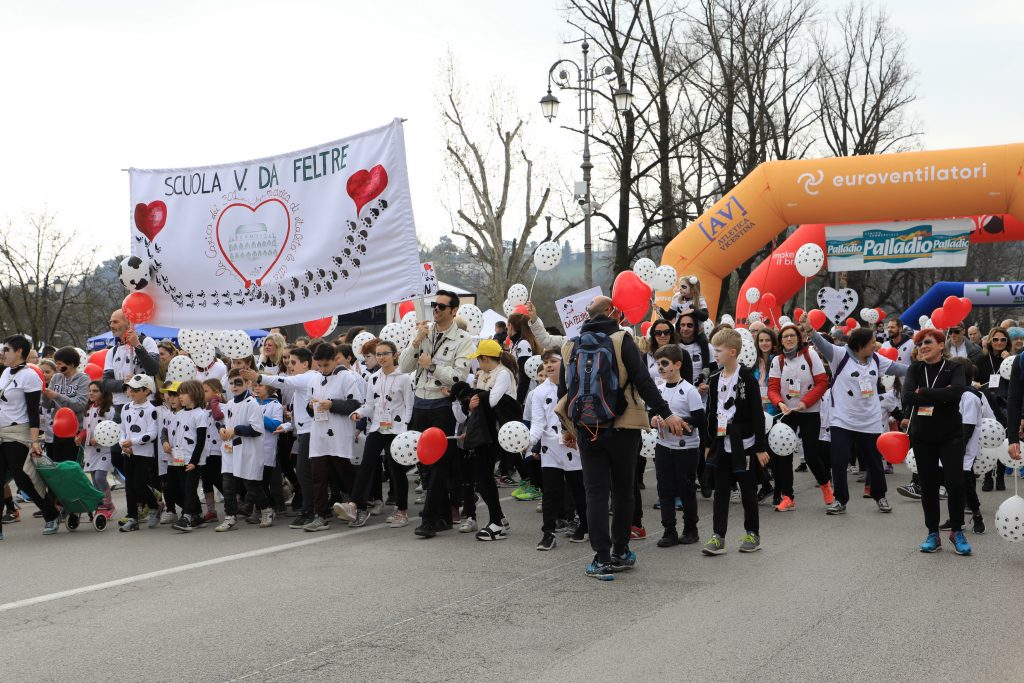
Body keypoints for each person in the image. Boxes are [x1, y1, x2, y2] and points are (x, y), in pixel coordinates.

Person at [555, 296, 683, 580]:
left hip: (587, 427)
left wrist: (567, 428)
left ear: (587, 316)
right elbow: (643, 381)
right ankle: (620, 551)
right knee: (624, 491)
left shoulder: (570, 345)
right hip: (624, 425)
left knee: (596, 493)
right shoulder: (621, 339)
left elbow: (563, 391)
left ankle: (600, 558)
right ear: (612, 313)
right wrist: (666, 412)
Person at [398, 291, 474, 539]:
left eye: (442, 306)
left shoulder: (463, 339)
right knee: (424, 464)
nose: (436, 310)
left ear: (454, 311)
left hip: (442, 405)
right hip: (421, 401)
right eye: (434, 305)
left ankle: (429, 519)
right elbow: (404, 367)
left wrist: (431, 365)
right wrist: (416, 341)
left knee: (438, 464)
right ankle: (442, 515)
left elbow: (458, 376)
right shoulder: (425, 333)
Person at [810, 326, 907, 515]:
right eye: (872, 342)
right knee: (839, 460)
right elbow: (822, 345)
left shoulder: (877, 359)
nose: (875, 345)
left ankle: (880, 497)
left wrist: (922, 367)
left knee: (874, 461)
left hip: (869, 421)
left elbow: (900, 368)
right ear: (861, 344)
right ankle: (840, 500)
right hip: (842, 420)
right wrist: (810, 331)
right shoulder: (840, 355)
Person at [902, 328, 970, 555]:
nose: (922, 346)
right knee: (929, 486)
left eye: (927, 342)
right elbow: (909, 397)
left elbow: (957, 392)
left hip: (950, 434)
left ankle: (957, 531)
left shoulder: (955, 367)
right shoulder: (915, 368)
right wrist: (941, 394)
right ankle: (933, 533)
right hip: (922, 436)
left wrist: (925, 392)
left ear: (942, 345)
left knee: (955, 483)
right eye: (919, 344)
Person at [701, 328, 769, 556]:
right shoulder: (714, 379)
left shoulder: (746, 378)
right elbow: (711, 411)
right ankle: (718, 536)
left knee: (748, 491)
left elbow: (757, 415)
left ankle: (753, 533)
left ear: (732, 352)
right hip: (721, 442)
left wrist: (760, 447)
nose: (715, 355)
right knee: (721, 491)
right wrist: (709, 443)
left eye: (718, 351)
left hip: (745, 444)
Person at [243, 347, 317, 527]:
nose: (289, 365)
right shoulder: (302, 382)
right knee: (307, 474)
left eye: (293, 362)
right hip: (302, 432)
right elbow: (299, 414)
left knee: (306, 474)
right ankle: (315, 509)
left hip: (311, 433)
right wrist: (286, 426)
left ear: (305, 364)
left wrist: (259, 377)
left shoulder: (307, 376)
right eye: (288, 362)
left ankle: (311, 511)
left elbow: (281, 380)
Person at [344, 340, 414, 528]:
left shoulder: (404, 378)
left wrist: (405, 430)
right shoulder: (373, 378)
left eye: (385, 353)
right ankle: (355, 505)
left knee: (395, 469)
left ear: (395, 355)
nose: (381, 357)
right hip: (377, 427)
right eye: (379, 354)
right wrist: (358, 413)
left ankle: (402, 510)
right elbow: (369, 405)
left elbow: (409, 407)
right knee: (366, 465)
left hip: (396, 430)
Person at [456, 339, 520, 541]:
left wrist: (476, 397)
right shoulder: (482, 374)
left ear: (485, 359)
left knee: (484, 478)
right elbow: (477, 403)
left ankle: (497, 522)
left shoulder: (503, 373)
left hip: (496, 433)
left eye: (479, 360)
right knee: (481, 478)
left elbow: (492, 401)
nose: (478, 364)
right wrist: (472, 401)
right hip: (483, 432)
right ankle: (498, 517)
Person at [767, 323, 833, 511]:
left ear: (799, 337)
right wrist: (779, 403)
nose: (789, 339)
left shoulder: (810, 354)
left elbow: (822, 382)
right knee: (784, 455)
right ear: (780, 340)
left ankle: (826, 486)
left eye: (792, 335)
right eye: (785, 336)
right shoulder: (777, 361)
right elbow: (772, 387)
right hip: (787, 412)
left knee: (812, 455)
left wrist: (805, 402)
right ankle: (788, 497)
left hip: (809, 411)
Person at [0, 335, 60, 539]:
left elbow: (33, 412)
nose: (3, 353)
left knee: (23, 480)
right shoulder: (6, 372)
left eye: (6, 349)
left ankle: (51, 514)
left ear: (18, 352)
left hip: (18, 434)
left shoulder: (30, 376)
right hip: (1, 432)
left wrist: (35, 441)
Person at [530, 349, 587, 549]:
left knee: (578, 489)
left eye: (553, 360)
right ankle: (548, 532)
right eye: (545, 362)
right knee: (551, 491)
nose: (549, 365)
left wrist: (576, 436)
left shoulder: (576, 386)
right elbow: (538, 423)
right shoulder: (538, 392)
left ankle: (585, 526)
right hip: (550, 448)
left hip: (574, 445)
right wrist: (528, 441)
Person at [650, 345, 705, 547]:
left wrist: (678, 422)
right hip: (663, 445)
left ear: (678, 364)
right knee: (664, 489)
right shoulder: (659, 389)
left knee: (686, 489)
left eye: (665, 363)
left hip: (686, 448)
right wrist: (654, 420)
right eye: (658, 364)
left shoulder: (689, 391)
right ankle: (669, 530)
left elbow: (700, 419)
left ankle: (691, 528)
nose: (661, 368)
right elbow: (651, 414)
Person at [303, 343, 362, 532]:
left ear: (335, 360)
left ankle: (358, 507)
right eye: (319, 365)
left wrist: (332, 404)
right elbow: (309, 408)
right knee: (318, 477)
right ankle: (320, 515)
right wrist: (311, 407)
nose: (322, 369)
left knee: (345, 473)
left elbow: (355, 404)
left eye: (325, 365)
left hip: (339, 433)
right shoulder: (314, 379)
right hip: (319, 435)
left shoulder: (346, 377)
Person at [219, 368, 274, 530]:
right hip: (230, 450)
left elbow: (256, 429)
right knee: (228, 485)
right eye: (231, 383)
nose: (234, 386)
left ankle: (266, 509)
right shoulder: (229, 404)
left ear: (248, 383)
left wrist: (236, 430)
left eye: (238, 383)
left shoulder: (252, 404)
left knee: (251, 485)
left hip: (247, 451)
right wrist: (223, 430)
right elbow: (226, 424)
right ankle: (230, 516)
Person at [948, 357, 987, 534]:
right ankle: (955, 519)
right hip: (948, 445)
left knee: (965, 484)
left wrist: (959, 447)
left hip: (962, 448)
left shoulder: (970, 396)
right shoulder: (953, 393)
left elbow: (968, 425)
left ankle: (977, 515)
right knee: (952, 485)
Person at [117, 373, 161, 532]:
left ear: (146, 391)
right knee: (129, 486)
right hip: (127, 452)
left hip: (144, 453)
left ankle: (155, 506)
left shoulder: (151, 410)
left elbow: (152, 434)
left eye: (136, 389)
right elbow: (122, 429)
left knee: (139, 485)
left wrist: (133, 442)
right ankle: (132, 517)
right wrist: (123, 443)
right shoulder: (126, 407)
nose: (131, 392)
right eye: (130, 389)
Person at [101, 309, 161, 412]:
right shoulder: (112, 351)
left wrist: (137, 346)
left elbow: (153, 369)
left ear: (128, 323)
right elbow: (106, 383)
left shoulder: (147, 342)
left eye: (115, 322)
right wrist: (124, 383)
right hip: (120, 406)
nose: (111, 325)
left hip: (145, 404)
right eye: (110, 322)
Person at [169, 380, 209, 532]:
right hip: (179, 458)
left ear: (194, 394)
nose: (180, 397)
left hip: (193, 460)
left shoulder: (200, 415)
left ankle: (186, 517)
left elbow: (200, 440)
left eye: (183, 393)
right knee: (183, 488)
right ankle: (197, 516)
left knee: (190, 488)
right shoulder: (180, 414)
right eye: (180, 394)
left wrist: (194, 461)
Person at [976, 326, 1011, 492]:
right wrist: (974, 383)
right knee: (988, 440)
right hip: (986, 403)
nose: (999, 343)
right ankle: (988, 477)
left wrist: (1010, 358)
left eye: (1003, 340)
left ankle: (1001, 477)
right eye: (996, 339)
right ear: (990, 341)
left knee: (1003, 440)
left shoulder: (1012, 359)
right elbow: (973, 378)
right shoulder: (981, 360)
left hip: (1004, 404)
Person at [41, 346, 90, 462]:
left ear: (71, 364)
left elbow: (80, 405)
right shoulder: (56, 378)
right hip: (58, 429)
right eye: (56, 363)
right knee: (57, 464)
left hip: (75, 431)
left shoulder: (83, 379)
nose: (56, 367)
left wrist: (57, 396)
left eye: (59, 364)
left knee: (71, 465)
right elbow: (48, 406)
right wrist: (44, 393)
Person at [81, 380, 116, 515]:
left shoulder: (109, 410)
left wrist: (100, 438)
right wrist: (80, 436)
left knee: (101, 477)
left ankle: (108, 503)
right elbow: (86, 429)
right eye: (90, 390)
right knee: (95, 479)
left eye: (95, 391)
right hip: (91, 450)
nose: (91, 393)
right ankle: (101, 504)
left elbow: (113, 429)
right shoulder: (89, 409)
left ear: (103, 393)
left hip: (105, 450)